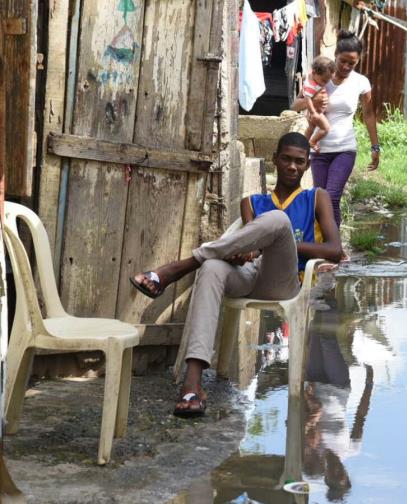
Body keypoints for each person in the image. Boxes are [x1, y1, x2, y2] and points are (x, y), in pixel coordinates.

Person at [129, 132, 343, 417]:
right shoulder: (252, 202)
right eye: (286, 159)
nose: (292, 166)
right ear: (275, 160)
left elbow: (335, 249)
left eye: (299, 162)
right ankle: (192, 383)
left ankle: (178, 268)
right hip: (249, 276)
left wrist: (277, 242)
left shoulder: (316, 197)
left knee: (278, 221)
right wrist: (244, 251)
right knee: (212, 267)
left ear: (307, 166)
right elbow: (247, 247)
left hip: (285, 281)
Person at [291, 30, 380, 228]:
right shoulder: (320, 77)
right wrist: (311, 100)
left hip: (345, 149)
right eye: (343, 61)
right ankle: (321, 246)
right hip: (319, 151)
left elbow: (369, 115)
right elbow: (295, 105)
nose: (347, 66)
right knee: (319, 200)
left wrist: (375, 147)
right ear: (336, 56)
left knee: (331, 198)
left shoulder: (361, 82)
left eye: (352, 63)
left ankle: (334, 247)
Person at [302, 56, 336, 152]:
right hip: (317, 112)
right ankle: (313, 141)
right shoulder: (312, 86)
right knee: (325, 128)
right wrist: (313, 112)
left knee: (311, 127)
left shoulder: (313, 79)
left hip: (316, 111)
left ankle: (303, 143)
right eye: (324, 80)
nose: (325, 83)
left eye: (328, 80)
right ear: (314, 73)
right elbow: (307, 99)